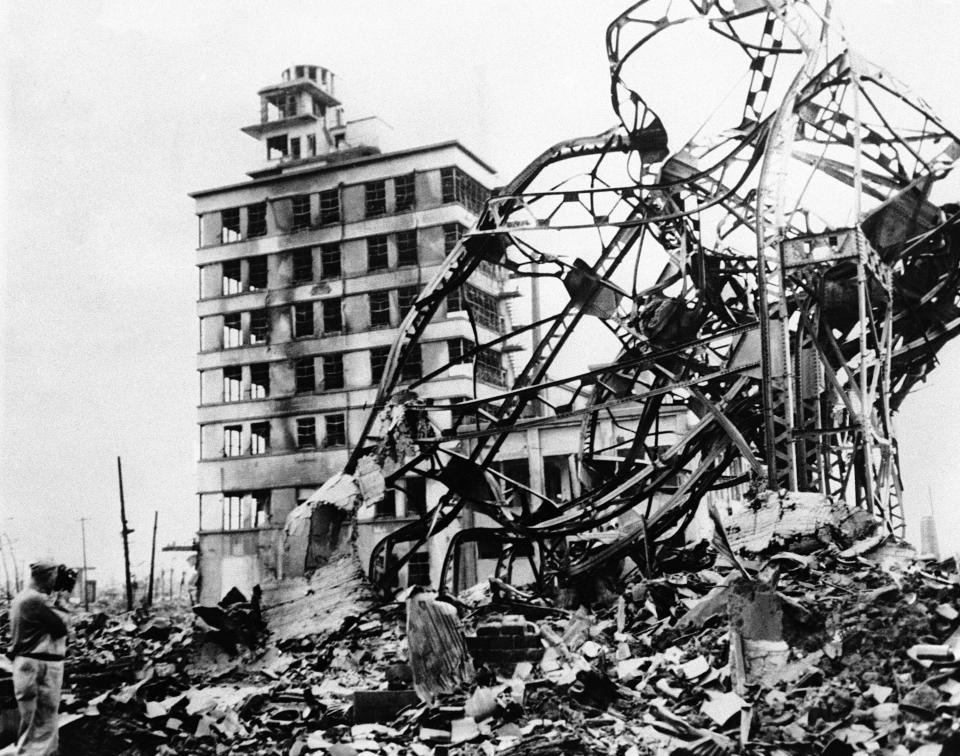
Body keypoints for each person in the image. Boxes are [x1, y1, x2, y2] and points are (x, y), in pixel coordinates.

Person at [3, 559, 69, 756]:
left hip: (28, 664)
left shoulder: (23, 598)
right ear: (47, 576)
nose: (55, 582)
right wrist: (63, 598)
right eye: (55, 577)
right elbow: (60, 628)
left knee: (33, 725)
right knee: (41, 726)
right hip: (40, 666)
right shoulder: (34, 600)